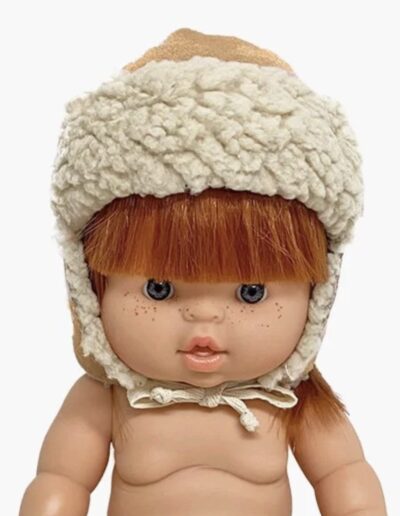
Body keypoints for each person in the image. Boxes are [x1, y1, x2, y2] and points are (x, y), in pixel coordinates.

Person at [19, 27, 387, 515]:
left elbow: (346, 474)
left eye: (251, 292)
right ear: (90, 288)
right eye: (159, 288)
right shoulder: (109, 399)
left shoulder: (291, 399)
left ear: (318, 296)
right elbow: (60, 480)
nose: (205, 319)